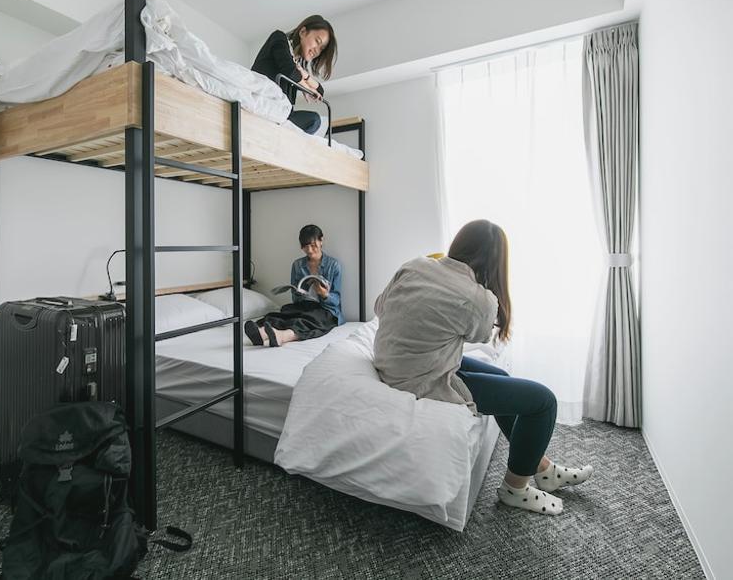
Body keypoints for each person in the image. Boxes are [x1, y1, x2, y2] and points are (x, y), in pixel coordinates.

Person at [372, 220, 594, 515]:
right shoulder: (478, 298)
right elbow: (480, 335)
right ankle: (515, 489)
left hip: (396, 360)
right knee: (543, 402)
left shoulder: (415, 265)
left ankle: (542, 468)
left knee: (501, 377)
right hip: (422, 376)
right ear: (495, 262)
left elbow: (379, 307)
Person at [245, 224, 343, 347]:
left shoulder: (333, 265)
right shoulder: (297, 265)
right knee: (284, 312)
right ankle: (262, 334)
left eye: (313, 245)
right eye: (305, 246)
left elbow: (336, 300)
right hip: (304, 305)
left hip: (325, 309)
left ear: (321, 240)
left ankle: (283, 336)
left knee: (312, 319)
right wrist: (298, 293)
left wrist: (325, 294)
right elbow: (295, 298)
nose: (310, 250)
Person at [251, 16, 337, 135]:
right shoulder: (279, 38)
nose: (317, 51)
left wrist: (306, 76)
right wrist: (305, 86)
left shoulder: (297, 66)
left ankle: (282, 136)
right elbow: (289, 70)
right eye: (317, 41)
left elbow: (319, 92)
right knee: (314, 120)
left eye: (321, 49)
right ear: (303, 32)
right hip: (264, 104)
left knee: (316, 121)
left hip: (282, 115)